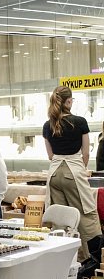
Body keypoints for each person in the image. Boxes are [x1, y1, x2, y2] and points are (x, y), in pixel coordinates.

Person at [43, 86, 102, 260]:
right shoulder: (80, 122)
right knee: (87, 215)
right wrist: (80, 169)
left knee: (61, 220)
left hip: (54, 174)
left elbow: (50, 155)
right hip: (74, 172)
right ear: (69, 101)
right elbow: (86, 153)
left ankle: (65, 261)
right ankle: (94, 260)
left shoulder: (48, 125)